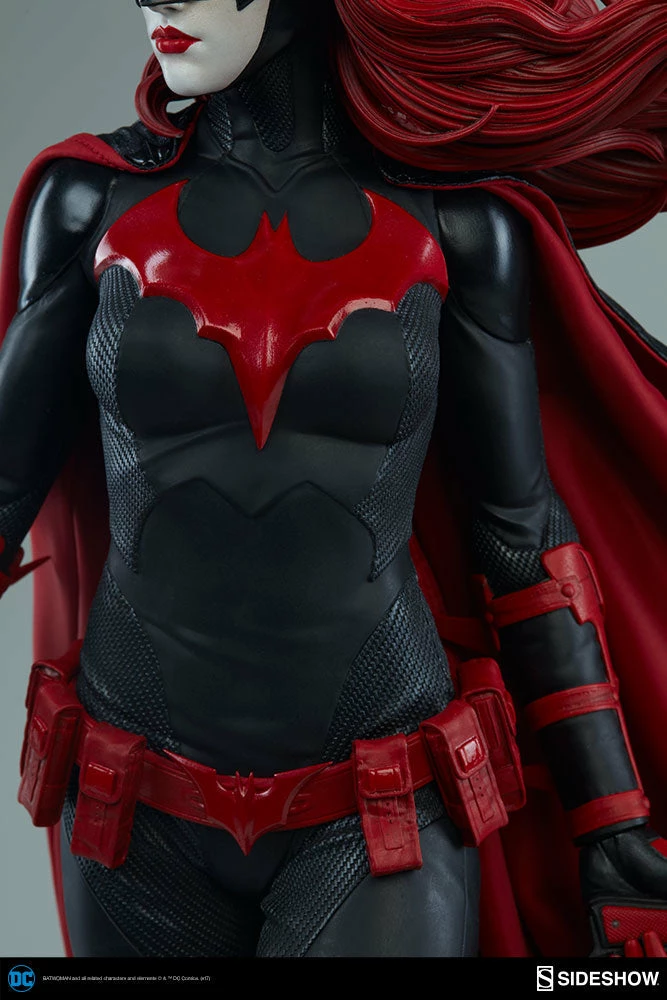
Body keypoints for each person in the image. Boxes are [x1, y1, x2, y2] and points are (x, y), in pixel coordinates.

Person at [2, 0, 667, 957]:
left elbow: (519, 536)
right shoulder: (87, 203)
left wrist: (611, 825)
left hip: (379, 808)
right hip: (130, 810)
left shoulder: (458, 226)